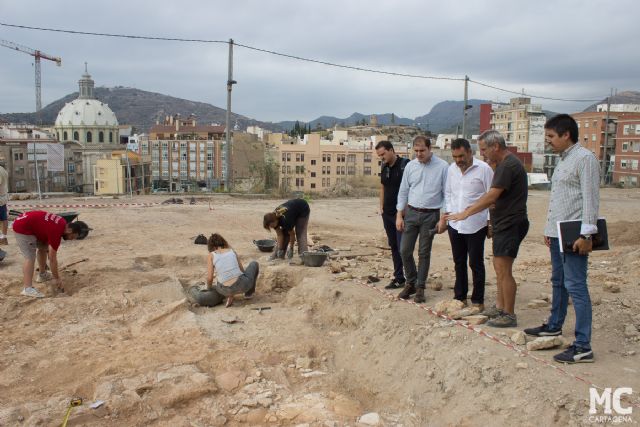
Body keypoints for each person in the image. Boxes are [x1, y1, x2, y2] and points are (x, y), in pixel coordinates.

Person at [524, 114, 599, 364]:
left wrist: (587, 234)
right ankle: (554, 325)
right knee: (559, 281)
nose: (548, 141)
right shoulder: (563, 160)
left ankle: (583, 345)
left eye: (551, 136)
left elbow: (590, 199)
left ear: (566, 134)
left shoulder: (585, 159)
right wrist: (548, 231)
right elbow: (560, 199)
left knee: (576, 286)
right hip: (557, 234)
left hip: (574, 234)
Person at [447, 130, 528, 327]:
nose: (482, 154)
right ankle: (500, 307)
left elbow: (491, 196)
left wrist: (467, 213)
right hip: (503, 223)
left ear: (496, 147)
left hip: (509, 223)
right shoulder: (503, 164)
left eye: (484, 149)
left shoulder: (507, 166)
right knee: (499, 269)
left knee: (504, 271)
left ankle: (508, 314)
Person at [438, 138, 494, 310]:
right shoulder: (451, 170)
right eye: (455, 157)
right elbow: (448, 194)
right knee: (459, 261)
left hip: (476, 224)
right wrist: (445, 217)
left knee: (476, 263)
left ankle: (478, 300)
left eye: (461, 156)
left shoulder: (484, 169)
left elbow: (492, 196)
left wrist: (490, 221)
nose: (458, 160)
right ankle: (460, 297)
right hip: (455, 225)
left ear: (470, 152)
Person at [396, 136, 448, 303]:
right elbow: (403, 190)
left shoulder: (442, 167)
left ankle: (420, 288)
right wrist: (399, 214)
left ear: (429, 148)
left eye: (422, 151)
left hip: (430, 215)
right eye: (416, 151)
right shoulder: (410, 166)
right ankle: (410, 282)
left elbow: (447, 193)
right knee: (404, 250)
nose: (419, 154)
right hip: (411, 213)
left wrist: (443, 218)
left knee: (424, 252)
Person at [12, 211, 90, 298]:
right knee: (30, 257)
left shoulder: (62, 222)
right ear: (69, 230)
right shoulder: (56, 231)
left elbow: (47, 239)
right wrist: (57, 278)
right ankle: (27, 288)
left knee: (44, 247)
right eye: (72, 237)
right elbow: (52, 258)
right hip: (22, 227)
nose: (71, 239)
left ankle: (42, 275)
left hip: (29, 224)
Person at [375, 140, 410, 289]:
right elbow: (382, 187)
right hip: (387, 214)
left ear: (391, 150)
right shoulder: (384, 166)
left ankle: (412, 278)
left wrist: (402, 213)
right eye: (379, 155)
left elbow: (410, 189)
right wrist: (381, 207)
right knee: (394, 246)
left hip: (401, 214)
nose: (381, 157)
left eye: (383, 154)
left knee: (404, 247)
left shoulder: (405, 165)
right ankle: (399, 277)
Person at [206, 233, 259, 307]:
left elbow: (209, 278)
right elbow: (242, 271)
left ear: (212, 247)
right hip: (242, 286)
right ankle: (248, 294)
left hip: (223, 290)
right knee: (254, 264)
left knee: (219, 280)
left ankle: (230, 295)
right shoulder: (232, 251)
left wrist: (208, 288)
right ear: (223, 242)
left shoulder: (211, 255)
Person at [0, 163, 8, 245]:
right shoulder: (3, 170)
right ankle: (4, 238)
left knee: (3, 219)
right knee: (3, 218)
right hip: (3, 197)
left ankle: (1, 238)